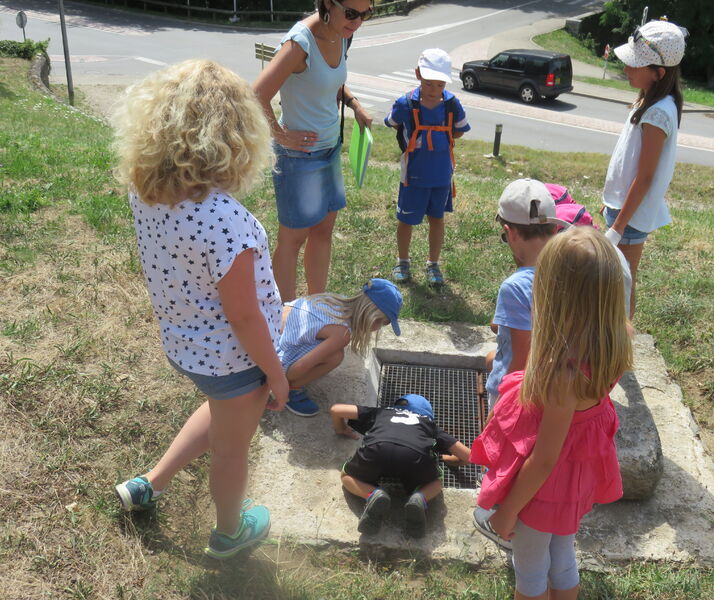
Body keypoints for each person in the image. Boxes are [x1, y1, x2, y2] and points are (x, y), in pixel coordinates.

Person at [111, 59, 289, 560]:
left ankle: (150, 482)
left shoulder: (145, 190)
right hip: (235, 359)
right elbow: (245, 316)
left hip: (186, 344)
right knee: (233, 449)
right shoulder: (227, 221)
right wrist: (275, 374)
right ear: (236, 136)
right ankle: (230, 533)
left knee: (219, 412)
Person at [471, 227, 632, 600]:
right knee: (561, 555)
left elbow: (544, 459)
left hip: (543, 488)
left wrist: (509, 510)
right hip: (576, 479)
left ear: (555, 294)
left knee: (529, 569)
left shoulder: (565, 373)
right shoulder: (615, 338)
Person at [253, 0, 374, 302]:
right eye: (351, 13)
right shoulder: (299, 44)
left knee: (323, 231)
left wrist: (354, 104)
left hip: (329, 149)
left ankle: (316, 306)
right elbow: (255, 96)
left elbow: (328, 81)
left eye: (365, 14)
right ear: (327, 4)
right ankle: (287, 316)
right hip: (300, 158)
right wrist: (281, 137)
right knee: (293, 239)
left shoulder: (342, 32)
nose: (356, 22)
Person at [484, 179, 632, 412]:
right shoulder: (573, 271)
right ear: (554, 228)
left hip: (514, 397)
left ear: (509, 232)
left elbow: (519, 366)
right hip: (553, 391)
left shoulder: (514, 287)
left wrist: (499, 413)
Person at [602, 19, 688, 316]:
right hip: (622, 209)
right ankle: (613, 345)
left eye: (634, 65)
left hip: (630, 217)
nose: (626, 69)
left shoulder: (658, 113)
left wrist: (619, 224)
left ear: (658, 73)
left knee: (622, 285)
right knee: (614, 283)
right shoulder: (649, 102)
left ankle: (620, 349)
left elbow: (646, 175)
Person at [384, 48, 470, 287]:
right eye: (429, 84)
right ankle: (403, 260)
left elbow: (461, 130)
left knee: (437, 218)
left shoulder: (452, 104)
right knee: (406, 220)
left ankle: (433, 264)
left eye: (439, 85)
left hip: (442, 175)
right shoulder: (405, 103)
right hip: (413, 175)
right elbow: (391, 121)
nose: (433, 91)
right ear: (417, 74)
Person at [331, 394, 471, 537]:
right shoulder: (430, 426)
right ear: (428, 415)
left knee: (347, 476)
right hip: (415, 459)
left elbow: (336, 410)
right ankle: (419, 498)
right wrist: (452, 460)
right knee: (436, 482)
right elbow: (469, 456)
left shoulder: (381, 412)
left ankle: (373, 494)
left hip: (377, 451)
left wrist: (341, 428)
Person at [278, 278, 402, 416]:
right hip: (273, 358)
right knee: (336, 357)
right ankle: (291, 389)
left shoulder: (335, 301)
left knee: (330, 352)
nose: (378, 328)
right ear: (373, 318)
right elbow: (301, 366)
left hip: (270, 330)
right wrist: (279, 382)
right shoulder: (341, 334)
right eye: (383, 323)